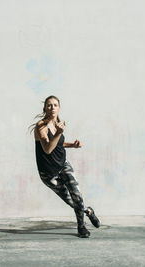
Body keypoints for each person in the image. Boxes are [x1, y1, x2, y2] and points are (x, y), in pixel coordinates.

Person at [30, 95, 100, 238]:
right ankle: (89, 211)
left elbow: (57, 144)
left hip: (63, 165)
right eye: (49, 105)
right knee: (70, 201)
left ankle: (81, 228)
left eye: (55, 105)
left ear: (59, 108)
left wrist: (72, 145)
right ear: (45, 108)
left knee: (77, 197)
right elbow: (48, 149)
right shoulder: (41, 126)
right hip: (48, 174)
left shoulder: (59, 124)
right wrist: (59, 132)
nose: (52, 107)